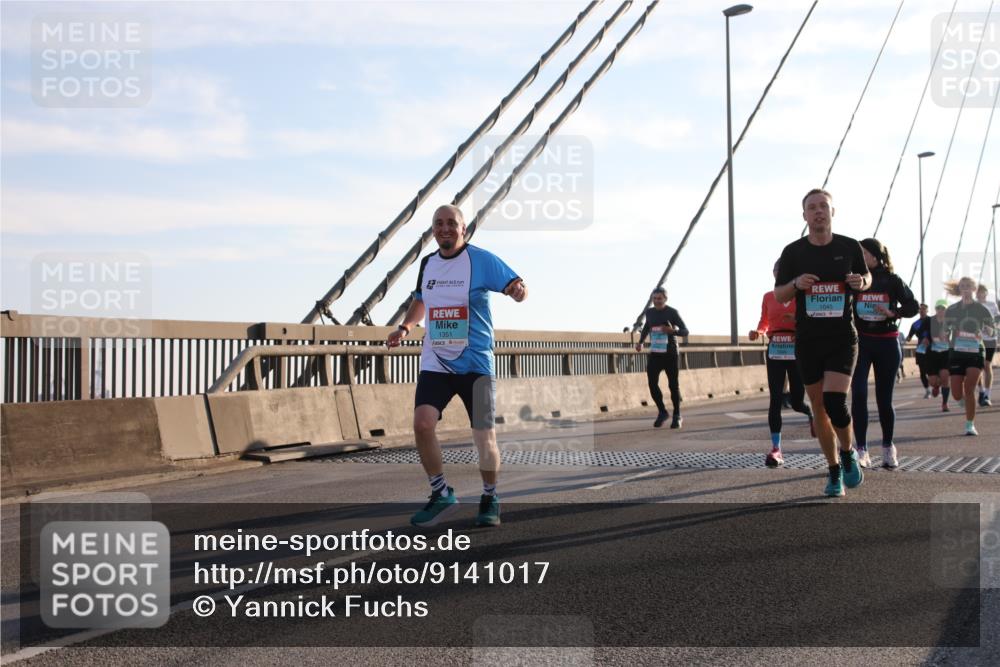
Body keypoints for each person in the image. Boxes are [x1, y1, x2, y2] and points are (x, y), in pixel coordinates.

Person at [387, 204, 527, 528]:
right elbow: (421, 299)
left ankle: (490, 495)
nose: (445, 228)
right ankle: (441, 494)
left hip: (476, 363)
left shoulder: (482, 260)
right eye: (439, 223)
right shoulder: (428, 264)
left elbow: (518, 285)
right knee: (422, 424)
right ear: (433, 230)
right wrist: (405, 327)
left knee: (484, 437)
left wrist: (518, 291)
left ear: (463, 228)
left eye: (452, 223)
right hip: (436, 361)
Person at [775, 189, 871, 497]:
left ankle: (847, 452)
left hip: (842, 337)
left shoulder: (849, 246)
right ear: (804, 216)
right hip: (808, 340)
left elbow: (866, 278)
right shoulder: (793, 252)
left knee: (834, 402)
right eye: (812, 208)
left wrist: (860, 282)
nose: (818, 212)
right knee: (818, 407)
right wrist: (795, 284)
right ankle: (833, 471)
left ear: (833, 212)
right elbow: (780, 294)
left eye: (823, 207)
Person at [849, 239, 918, 470]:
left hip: (887, 343)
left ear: (876, 256)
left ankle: (888, 447)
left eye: (865, 253)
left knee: (883, 399)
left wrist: (893, 312)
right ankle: (861, 449)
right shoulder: (855, 280)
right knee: (858, 394)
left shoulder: (892, 280)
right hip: (861, 343)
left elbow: (913, 306)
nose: (861, 257)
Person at [749, 259, 814, 467]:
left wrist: (795, 319)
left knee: (796, 401)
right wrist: (757, 332)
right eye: (777, 270)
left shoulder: (801, 295)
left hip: (796, 348)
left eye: (784, 270)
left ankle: (809, 412)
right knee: (775, 398)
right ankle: (776, 448)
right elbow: (764, 321)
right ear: (774, 273)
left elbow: (811, 319)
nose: (780, 273)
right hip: (776, 347)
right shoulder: (769, 297)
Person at [942, 277, 993, 436]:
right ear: (959, 289)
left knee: (969, 389)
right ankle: (965, 403)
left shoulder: (982, 309)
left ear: (974, 289)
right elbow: (945, 330)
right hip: (956, 353)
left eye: (968, 286)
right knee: (957, 394)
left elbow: (992, 331)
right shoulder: (951, 309)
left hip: (975, 352)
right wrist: (945, 333)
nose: (965, 288)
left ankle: (970, 425)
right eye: (962, 286)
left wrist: (985, 330)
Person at [635, 287, 689, 429]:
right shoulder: (650, 312)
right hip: (655, 353)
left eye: (659, 298)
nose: (657, 301)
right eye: (654, 299)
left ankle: (677, 415)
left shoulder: (672, 312)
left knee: (673, 385)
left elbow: (685, 331)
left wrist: (673, 331)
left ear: (665, 299)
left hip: (670, 353)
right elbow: (647, 327)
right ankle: (662, 412)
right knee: (652, 383)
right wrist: (640, 342)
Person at [925, 300, 952, 411]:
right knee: (932, 381)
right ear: (936, 309)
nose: (941, 310)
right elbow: (921, 332)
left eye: (943, 308)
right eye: (939, 308)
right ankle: (936, 385)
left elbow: (956, 334)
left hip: (946, 354)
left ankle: (944, 404)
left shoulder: (951, 322)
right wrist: (925, 338)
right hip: (932, 354)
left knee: (945, 377)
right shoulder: (929, 321)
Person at [975, 284, 999, 406]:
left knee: (987, 365)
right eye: (978, 292)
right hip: (977, 339)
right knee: (978, 367)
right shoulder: (972, 305)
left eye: (982, 292)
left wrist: (992, 326)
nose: (980, 294)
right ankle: (981, 390)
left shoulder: (992, 305)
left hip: (990, 338)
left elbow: (997, 320)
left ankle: (987, 395)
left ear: (985, 293)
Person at [906, 303, 932, 398]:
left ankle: (935, 386)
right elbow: (909, 337)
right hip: (920, 350)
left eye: (924, 309)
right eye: (920, 309)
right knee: (922, 372)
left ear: (927, 310)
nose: (922, 311)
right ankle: (927, 390)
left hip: (931, 349)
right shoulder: (915, 324)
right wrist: (905, 338)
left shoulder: (932, 321)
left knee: (931, 371)